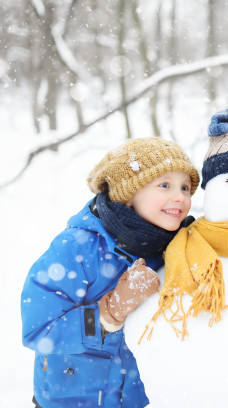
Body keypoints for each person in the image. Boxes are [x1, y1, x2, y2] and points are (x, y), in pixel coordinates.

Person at [21, 137, 200, 408]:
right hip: (73, 399)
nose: (180, 197)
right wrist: (108, 314)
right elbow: (39, 329)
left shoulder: (173, 247)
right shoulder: (79, 248)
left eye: (185, 188)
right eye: (164, 185)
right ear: (128, 195)